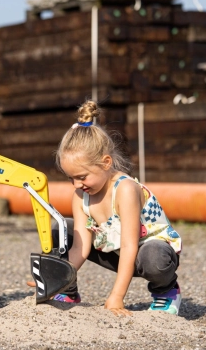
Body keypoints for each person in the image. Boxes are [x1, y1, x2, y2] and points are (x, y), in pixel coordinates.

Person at [52, 100, 182, 316]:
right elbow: (80, 248)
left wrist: (117, 297)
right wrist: (55, 280)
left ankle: (166, 291)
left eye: (82, 177)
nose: (76, 185)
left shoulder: (126, 189)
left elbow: (130, 246)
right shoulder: (80, 194)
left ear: (105, 163)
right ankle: (67, 291)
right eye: (70, 178)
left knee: (154, 258)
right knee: (61, 230)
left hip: (144, 250)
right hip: (114, 249)